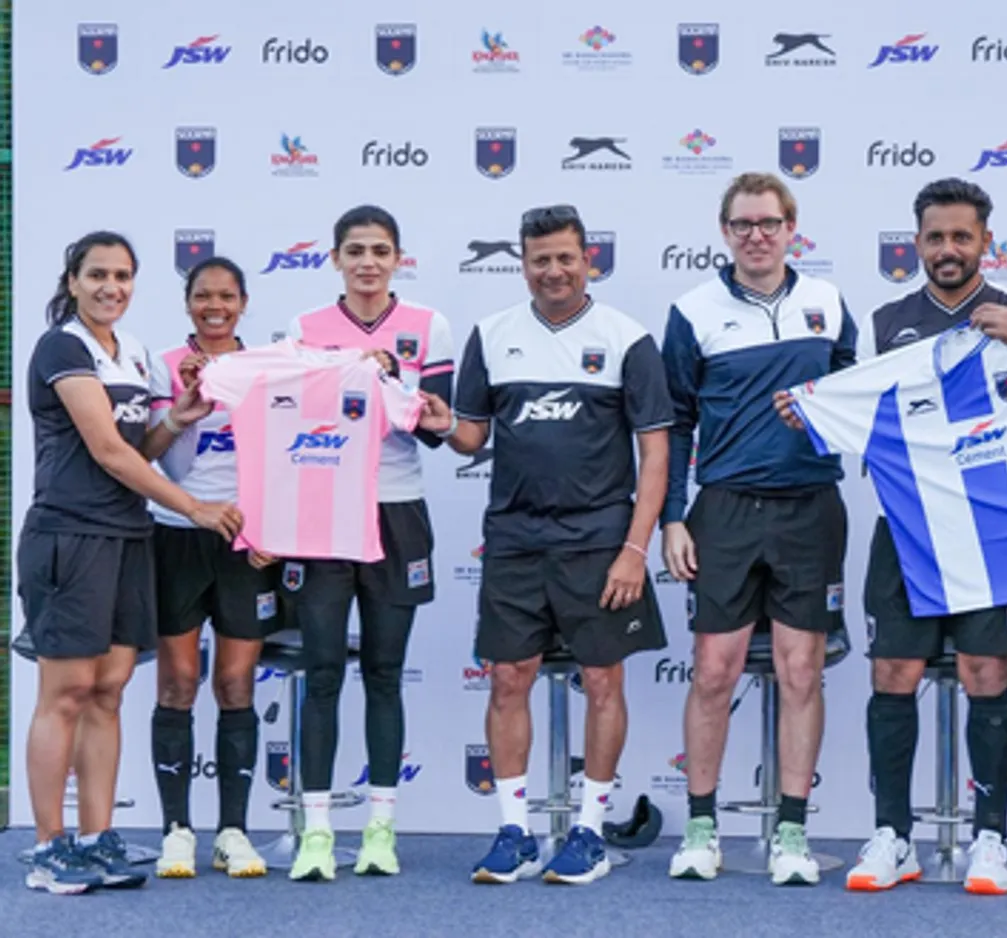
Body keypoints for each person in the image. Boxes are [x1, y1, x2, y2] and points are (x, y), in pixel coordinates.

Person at [778, 178, 1007, 895]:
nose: (947, 250)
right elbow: (860, 413)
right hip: (907, 531)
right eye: (935, 237)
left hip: (996, 538)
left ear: (984, 243)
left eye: (961, 237)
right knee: (893, 675)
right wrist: (813, 415)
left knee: (986, 676)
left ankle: (991, 839)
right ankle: (892, 835)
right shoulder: (886, 323)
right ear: (917, 244)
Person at [418, 203, 670, 886]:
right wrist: (442, 423)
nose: (553, 271)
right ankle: (514, 832)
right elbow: (472, 436)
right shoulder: (493, 334)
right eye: (540, 260)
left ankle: (588, 831)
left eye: (565, 257)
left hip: (599, 543)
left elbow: (656, 455)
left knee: (604, 680)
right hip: (514, 541)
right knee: (507, 679)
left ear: (589, 258)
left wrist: (635, 549)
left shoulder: (626, 338)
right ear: (523, 265)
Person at [18, 231, 242, 894]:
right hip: (69, 535)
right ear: (73, 280)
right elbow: (109, 453)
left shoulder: (135, 350)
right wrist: (197, 508)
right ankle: (49, 847)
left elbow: (140, 447)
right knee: (65, 693)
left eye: (122, 276)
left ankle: (96, 837)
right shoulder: (62, 345)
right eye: (98, 276)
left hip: (127, 536)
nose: (111, 287)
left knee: (110, 690)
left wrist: (179, 418)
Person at [661, 172, 856, 886]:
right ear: (725, 233)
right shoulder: (693, 310)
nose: (756, 236)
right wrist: (673, 518)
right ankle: (702, 827)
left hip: (811, 508)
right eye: (742, 225)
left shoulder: (827, 303)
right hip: (726, 510)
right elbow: (674, 423)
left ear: (791, 228)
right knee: (714, 672)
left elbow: (853, 395)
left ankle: (793, 834)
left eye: (769, 223)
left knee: (802, 671)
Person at [282, 205, 455, 882]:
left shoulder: (428, 324)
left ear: (398, 258)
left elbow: (435, 426)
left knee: (384, 674)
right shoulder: (304, 329)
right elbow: (295, 416)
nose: (368, 263)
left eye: (380, 251)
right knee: (322, 674)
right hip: (325, 513)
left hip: (397, 510)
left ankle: (381, 828)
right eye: (355, 251)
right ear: (335, 259)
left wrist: (389, 377)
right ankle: (318, 832)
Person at [149, 257, 276, 879]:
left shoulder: (267, 369)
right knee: (176, 682)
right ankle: (176, 831)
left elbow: (287, 457)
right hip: (176, 533)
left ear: (245, 302)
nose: (215, 305)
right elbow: (164, 467)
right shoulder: (164, 365)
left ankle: (234, 832)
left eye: (227, 295)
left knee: (235, 685)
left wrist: (270, 527)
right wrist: (187, 401)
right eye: (203, 296)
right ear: (187, 302)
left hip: (243, 543)